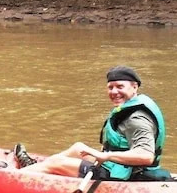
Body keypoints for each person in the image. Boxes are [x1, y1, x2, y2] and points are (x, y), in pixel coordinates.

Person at [15, 66, 168, 181]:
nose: (114, 92)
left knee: (56, 163)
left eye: (120, 87)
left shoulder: (136, 119)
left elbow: (146, 156)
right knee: (78, 148)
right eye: (110, 87)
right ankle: (33, 169)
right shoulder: (130, 108)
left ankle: (14, 178)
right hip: (121, 168)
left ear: (134, 87)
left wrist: (105, 156)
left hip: (126, 175)